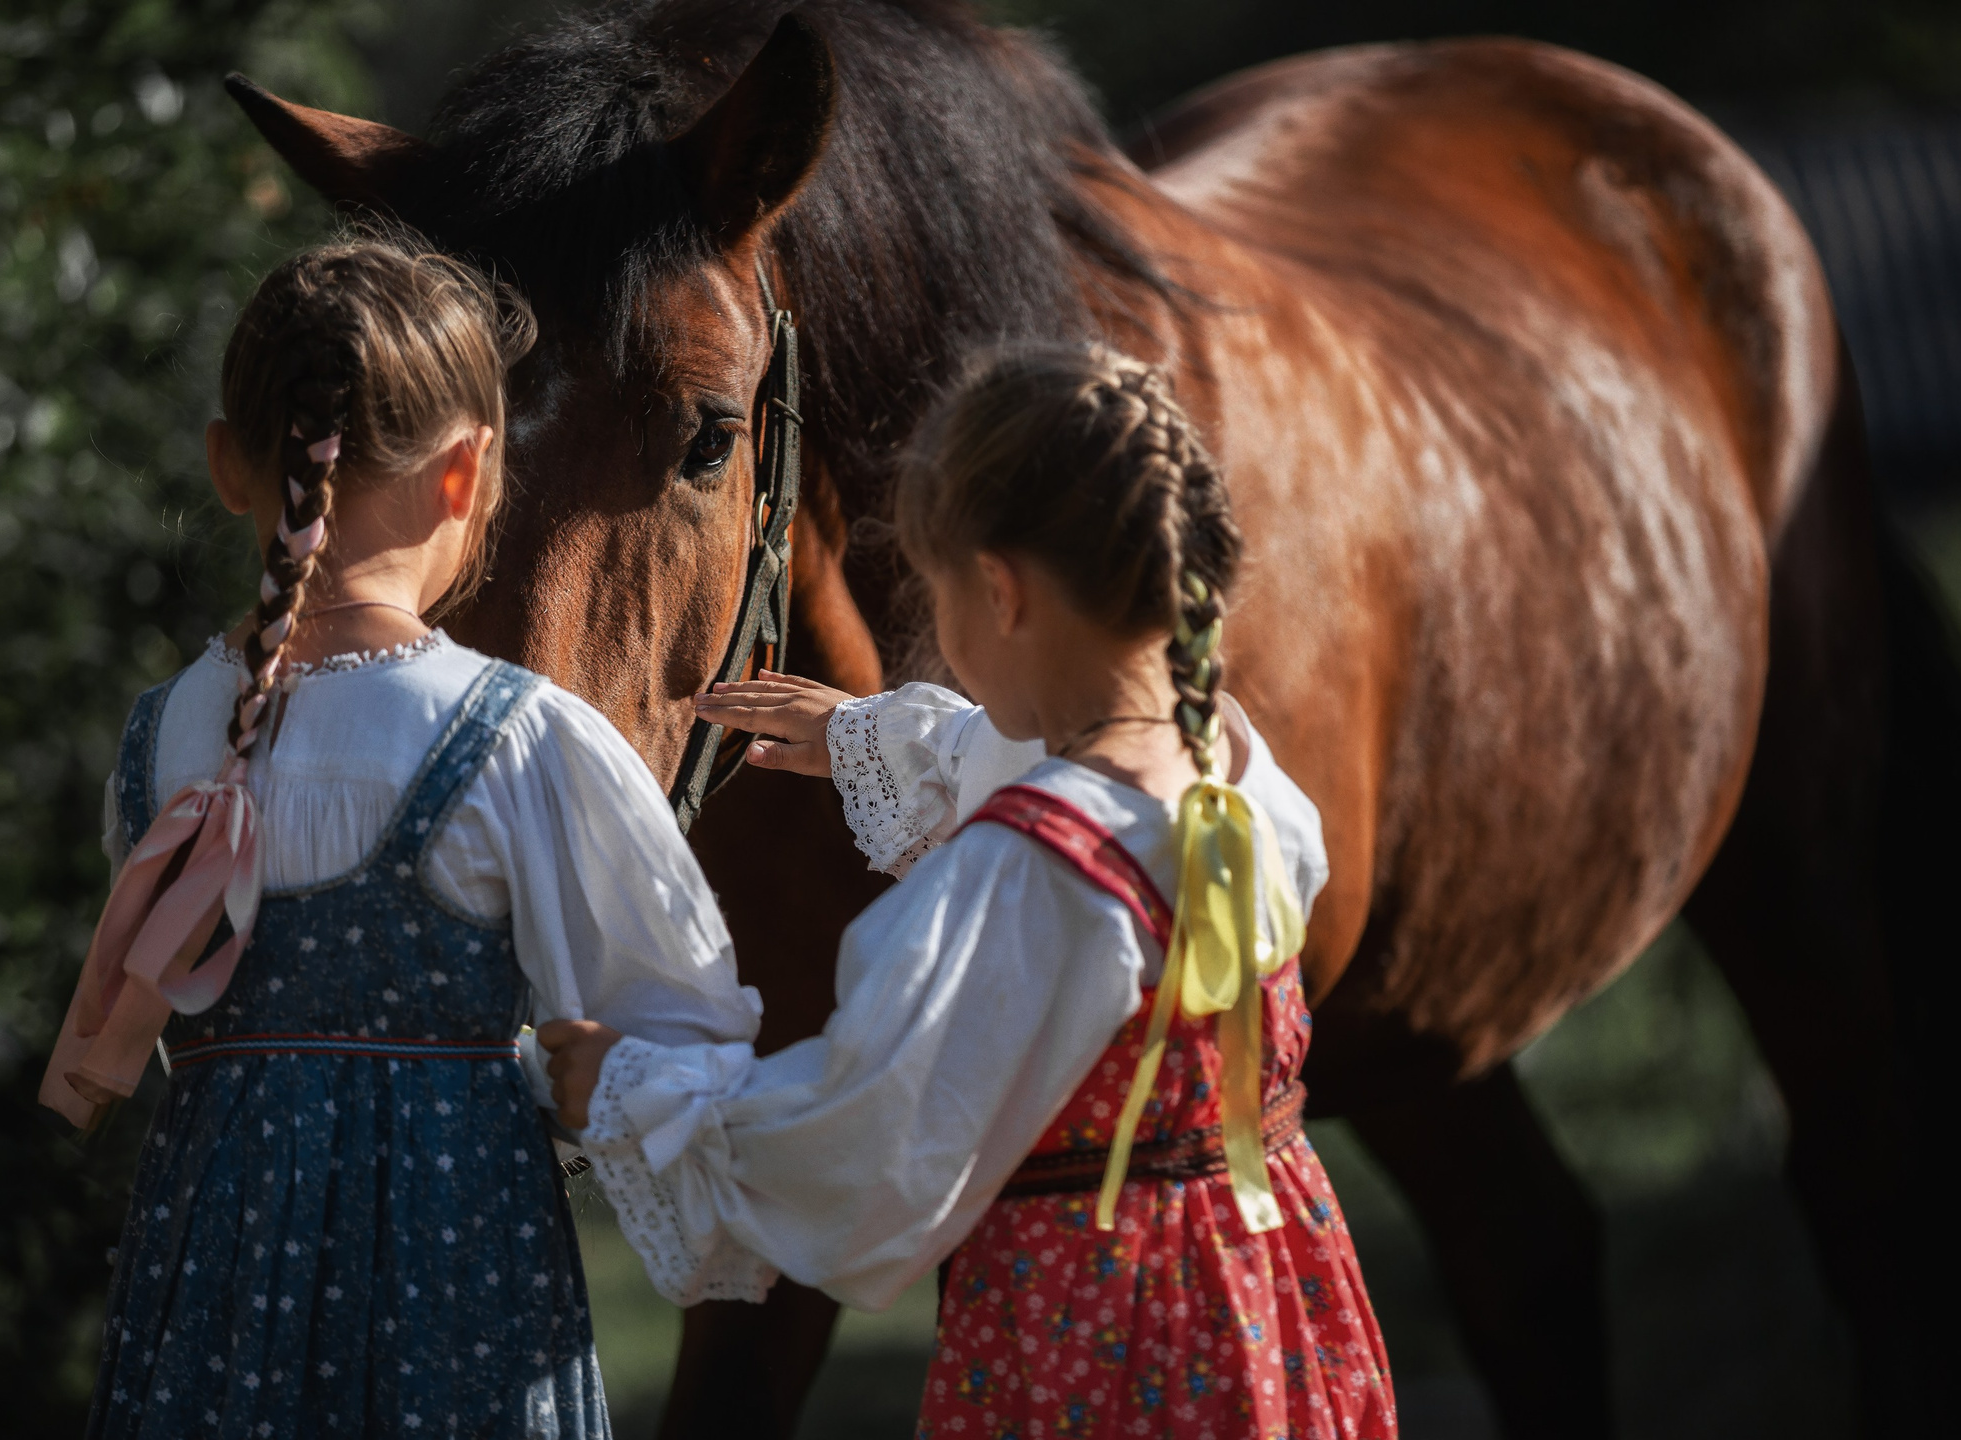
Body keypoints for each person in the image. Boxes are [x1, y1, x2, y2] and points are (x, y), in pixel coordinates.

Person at [541, 347, 1397, 1437]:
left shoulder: (1030, 872)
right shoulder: (1230, 766)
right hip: (1264, 1290)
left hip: (1102, 1326)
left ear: (996, 588)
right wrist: (869, 736)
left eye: (938, 593)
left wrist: (637, 1087)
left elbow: (868, 1138)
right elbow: (1073, 792)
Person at [37, 238, 762, 1439]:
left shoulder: (159, 737)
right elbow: (676, 1020)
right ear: (471, 472)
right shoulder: (519, 735)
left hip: (213, 1267)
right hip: (456, 1276)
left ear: (228, 465)